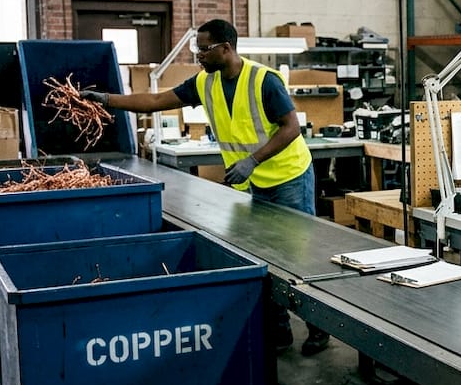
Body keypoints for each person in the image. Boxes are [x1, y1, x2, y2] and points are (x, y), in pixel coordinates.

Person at [81, 18, 332, 356]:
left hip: (289, 177)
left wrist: (252, 160)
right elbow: (156, 101)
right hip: (254, 183)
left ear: (226, 48)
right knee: (265, 256)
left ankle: (319, 328)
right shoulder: (205, 82)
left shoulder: (264, 81)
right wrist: (107, 100)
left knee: (297, 257)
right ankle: (279, 331)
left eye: (203, 48)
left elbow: (291, 128)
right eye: (196, 48)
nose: (198, 55)